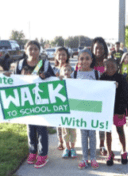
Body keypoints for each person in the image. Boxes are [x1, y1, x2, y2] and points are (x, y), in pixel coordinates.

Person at [6, 40, 55, 169]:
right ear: (25, 51)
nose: (33, 51)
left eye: (35, 49)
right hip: (26, 101)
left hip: (40, 100)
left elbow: (53, 77)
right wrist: (7, 76)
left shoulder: (44, 63)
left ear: (39, 51)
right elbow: (14, 80)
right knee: (30, 128)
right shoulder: (20, 64)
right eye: (30, 49)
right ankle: (32, 152)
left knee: (41, 128)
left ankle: (43, 154)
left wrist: (47, 74)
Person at [71, 49, 100, 170]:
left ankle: (93, 158)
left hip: (93, 109)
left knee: (92, 134)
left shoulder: (97, 74)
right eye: (81, 58)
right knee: (83, 134)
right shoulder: (75, 74)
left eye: (87, 58)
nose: (84, 61)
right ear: (78, 60)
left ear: (91, 60)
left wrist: (113, 86)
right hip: (80, 109)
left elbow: (103, 89)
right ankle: (84, 158)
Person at [100, 58, 128, 166]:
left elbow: (125, 96)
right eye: (108, 67)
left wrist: (123, 110)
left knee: (120, 130)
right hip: (107, 110)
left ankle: (124, 150)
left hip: (118, 110)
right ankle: (109, 153)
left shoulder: (121, 78)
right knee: (108, 131)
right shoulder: (102, 78)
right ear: (104, 67)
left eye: (113, 67)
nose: (110, 69)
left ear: (117, 67)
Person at [90, 37, 109, 156]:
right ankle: (90, 145)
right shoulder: (87, 62)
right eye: (96, 48)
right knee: (90, 123)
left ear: (104, 49)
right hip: (90, 98)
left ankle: (102, 144)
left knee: (102, 123)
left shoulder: (109, 63)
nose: (98, 50)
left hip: (104, 99)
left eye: (101, 48)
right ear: (92, 49)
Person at [52, 47, 73, 151]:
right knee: (58, 122)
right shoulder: (53, 69)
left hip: (68, 99)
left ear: (67, 56)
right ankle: (60, 141)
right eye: (59, 54)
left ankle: (69, 142)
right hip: (57, 99)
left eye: (64, 54)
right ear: (55, 56)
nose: (61, 57)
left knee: (67, 123)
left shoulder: (71, 68)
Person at [58, 64, 78, 159]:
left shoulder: (74, 81)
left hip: (73, 109)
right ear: (61, 72)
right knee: (65, 130)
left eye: (68, 70)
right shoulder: (59, 81)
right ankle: (67, 148)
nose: (66, 71)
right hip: (63, 109)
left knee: (73, 130)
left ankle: (73, 148)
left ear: (71, 71)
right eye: (64, 70)